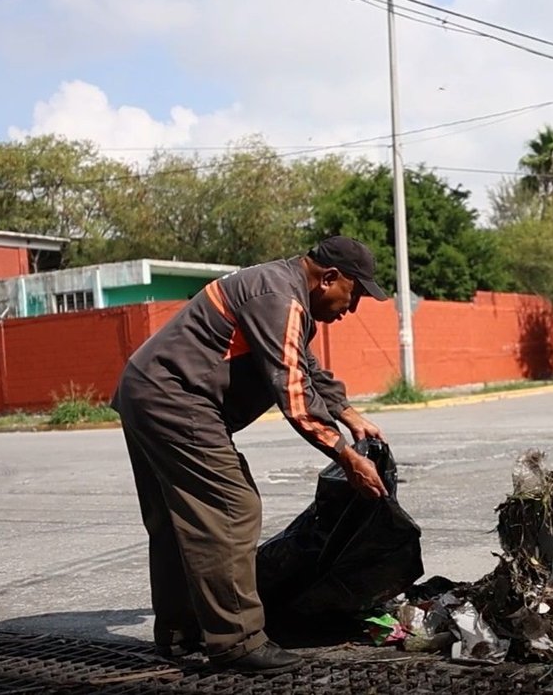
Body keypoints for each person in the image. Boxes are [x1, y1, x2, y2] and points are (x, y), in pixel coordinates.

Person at [112, 236, 392, 675]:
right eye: (354, 295)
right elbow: (293, 392)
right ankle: (237, 642)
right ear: (330, 278)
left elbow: (303, 365)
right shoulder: (281, 297)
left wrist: (347, 412)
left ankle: (180, 633)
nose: (351, 308)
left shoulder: (280, 290)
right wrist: (346, 457)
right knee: (232, 509)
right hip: (175, 399)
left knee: (176, 521)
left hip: (146, 391)